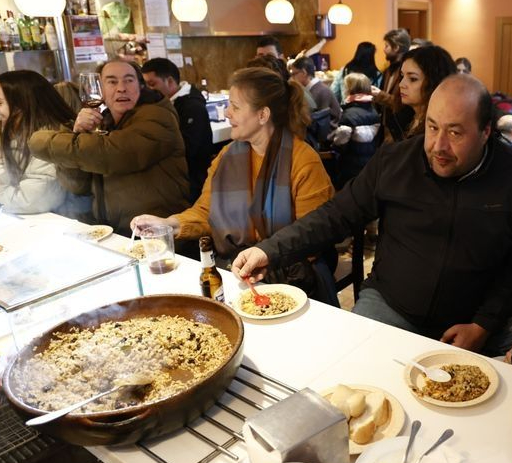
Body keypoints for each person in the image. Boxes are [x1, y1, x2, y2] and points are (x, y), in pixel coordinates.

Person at [232, 74, 512, 356]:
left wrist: (483, 325)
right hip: (394, 303)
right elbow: (335, 216)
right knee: (349, 360)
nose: (438, 145)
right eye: (432, 127)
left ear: (485, 132)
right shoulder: (395, 161)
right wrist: (268, 251)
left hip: (479, 309)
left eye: (455, 133)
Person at [130, 67, 337, 302]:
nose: (227, 113)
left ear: (263, 115)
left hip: (290, 279)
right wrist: (167, 225)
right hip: (235, 271)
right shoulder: (227, 156)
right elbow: (205, 212)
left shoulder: (303, 160)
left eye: (236, 107)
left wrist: (262, 259)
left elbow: (312, 236)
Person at [29, 59, 190, 236]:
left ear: (140, 86)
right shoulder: (104, 122)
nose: (121, 88)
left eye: (129, 80)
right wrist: (77, 132)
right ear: (100, 90)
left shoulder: (158, 116)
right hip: (116, 231)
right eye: (112, 81)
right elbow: (77, 185)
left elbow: (112, 154)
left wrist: (43, 141)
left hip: (158, 233)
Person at [0, 71, 80, 215]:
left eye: (0, 102)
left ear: (22, 105)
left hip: (71, 224)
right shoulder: (25, 133)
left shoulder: (52, 140)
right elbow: (20, 175)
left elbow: (32, 200)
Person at [141, 57, 214, 202]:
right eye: (145, 85)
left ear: (169, 81)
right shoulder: (164, 104)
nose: (148, 90)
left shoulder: (192, 107)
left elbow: (187, 150)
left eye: (152, 84)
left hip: (193, 182)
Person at [390, 44, 457, 140]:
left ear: (434, 82)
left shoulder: (441, 130)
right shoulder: (402, 117)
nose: (401, 84)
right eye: (402, 76)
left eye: (413, 79)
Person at [329, 73, 381, 188]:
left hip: (351, 167)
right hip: (370, 165)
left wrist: (334, 147)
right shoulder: (374, 111)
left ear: (349, 90)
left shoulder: (349, 115)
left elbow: (340, 142)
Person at [372, 29, 411, 139]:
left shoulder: (406, 71)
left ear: (396, 48)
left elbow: (402, 103)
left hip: (399, 127)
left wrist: (380, 94)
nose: (384, 50)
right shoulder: (389, 69)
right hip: (387, 124)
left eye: (387, 46)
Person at [290, 57, 342, 126]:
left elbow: (322, 122)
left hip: (329, 132)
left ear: (304, 72)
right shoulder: (312, 88)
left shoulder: (320, 91)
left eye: (294, 74)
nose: (292, 78)